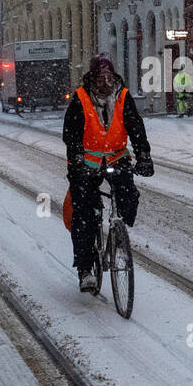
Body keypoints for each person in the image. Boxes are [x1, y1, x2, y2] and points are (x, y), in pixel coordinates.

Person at [63, 54, 153, 291]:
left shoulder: (122, 96)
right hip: (87, 164)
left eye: (109, 76)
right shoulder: (80, 98)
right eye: (101, 77)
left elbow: (136, 127)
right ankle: (85, 269)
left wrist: (144, 156)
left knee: (128, 195)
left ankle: (119, 235)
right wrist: (78, 160)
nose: (106, 81)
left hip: (116, 157)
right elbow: (70, 135)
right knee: (84, 215)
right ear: (92, 79)